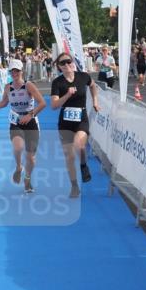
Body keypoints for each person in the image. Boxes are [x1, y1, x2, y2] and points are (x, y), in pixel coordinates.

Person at [0, 58, 45, 193]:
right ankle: (19, 167)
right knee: (18, 147)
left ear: (21, 71)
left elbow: (42, 103)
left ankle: (28, 179)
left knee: (31, 157)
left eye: (17, 71)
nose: (14, 73)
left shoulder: (28, 86)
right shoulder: (8, 87)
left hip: (30, 121)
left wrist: (30, 115)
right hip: (16, 121)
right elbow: (3, 103)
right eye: (12, 71)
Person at [50, 51, 99, 198]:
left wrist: (95, 101)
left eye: (68, 61)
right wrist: (67, 95)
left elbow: (93, 86)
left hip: (81, 118)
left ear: (73, 62)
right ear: (59, 67)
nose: (67, 65)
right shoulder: (58, 82)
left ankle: (83, 165)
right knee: (70, 157)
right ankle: (74, 186)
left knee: (79, 144)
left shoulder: (83, 76)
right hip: (65, 122)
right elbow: (54, 105)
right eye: (63, 63)